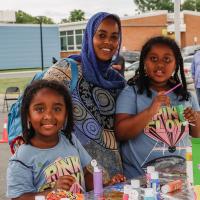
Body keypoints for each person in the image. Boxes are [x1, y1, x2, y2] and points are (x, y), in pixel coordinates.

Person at [7, 80, 125, 199]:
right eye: (40, 109)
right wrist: (53, 191)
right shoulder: (22, 157)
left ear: (66, 114)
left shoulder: (70, 140)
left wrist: (105, 187)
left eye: (57, 109)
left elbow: (85, 173)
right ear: (28, 115)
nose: (48, 116)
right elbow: (18, 197)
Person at [43, 12, 126, 180]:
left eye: (114, 37)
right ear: (89, 37)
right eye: (101, 35)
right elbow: (36, 106)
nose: (108, 42)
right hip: (71, 173)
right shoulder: (65, 70)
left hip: (113, 176)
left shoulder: (117, 81)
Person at [115, 36, 200, 179]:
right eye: (153, 59)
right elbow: (120, 133)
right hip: (141, 181)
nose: (160, 65)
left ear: (176, 64)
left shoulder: (186, 96)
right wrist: (150, 111)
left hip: (179, 179)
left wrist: (195, 120)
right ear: (144, 62)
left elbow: (197, 134)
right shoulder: (131, 93)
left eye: (167, 60)